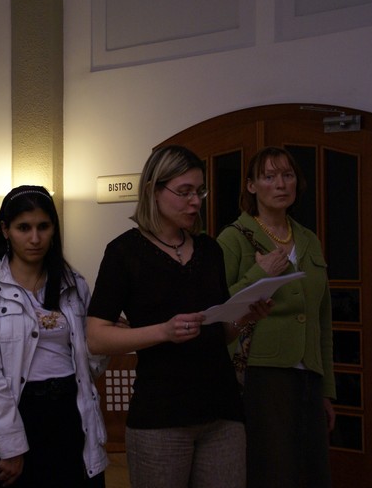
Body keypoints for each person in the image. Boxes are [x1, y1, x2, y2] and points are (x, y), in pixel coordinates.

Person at [86, 145, 270, 488]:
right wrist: (163, 331)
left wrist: (245, 316)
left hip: (222, 411)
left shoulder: (209, 250)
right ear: (153, 191)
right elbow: (96, 337)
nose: (195, 201)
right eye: (184, 192)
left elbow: (219, 333)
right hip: (161, 416)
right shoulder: (124, 252)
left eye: (199, 191)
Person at [0, 185, 109, 488]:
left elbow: (91, 363)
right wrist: (11, 445)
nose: (35, 238)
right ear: (5, 230)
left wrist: (107, 335)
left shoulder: (73, 284)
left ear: (54, 229)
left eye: (43, 226)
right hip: (15, 411)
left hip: (69, 409)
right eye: (23, 228)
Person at [216, 146, 335, 487]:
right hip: (260, 374)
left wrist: (326, 389)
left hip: (308, 375)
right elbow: (217, 309)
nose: (281, 184)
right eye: (269, 176)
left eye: (288, 175)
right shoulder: (233, 238)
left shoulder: (309, 239)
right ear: (251, 186)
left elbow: (321, 319)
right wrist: (260, 273)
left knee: (312, 472)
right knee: (272, 471)